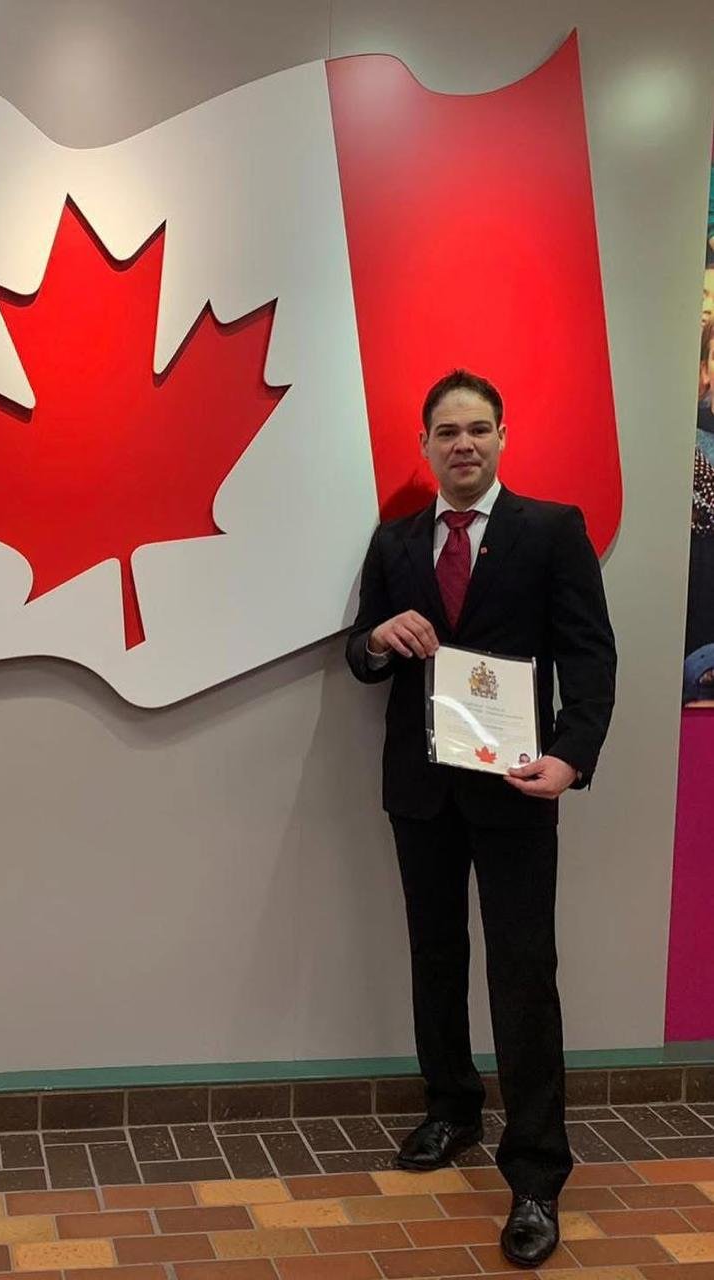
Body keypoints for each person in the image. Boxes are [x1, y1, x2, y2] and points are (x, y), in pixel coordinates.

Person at [345, 369, 616, 1269]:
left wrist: (571, 755)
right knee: (434, 954)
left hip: (515, 788)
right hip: (420, 790)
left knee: (523, 973)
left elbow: (589, 654)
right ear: (424, 446)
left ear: (501, 438)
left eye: (478, 429)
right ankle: (452, 1107)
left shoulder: (551, 530)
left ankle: (535, 1174)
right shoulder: (393, 542)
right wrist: (376, 639)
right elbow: (358, 654)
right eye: (446, 432)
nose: (462, 444)